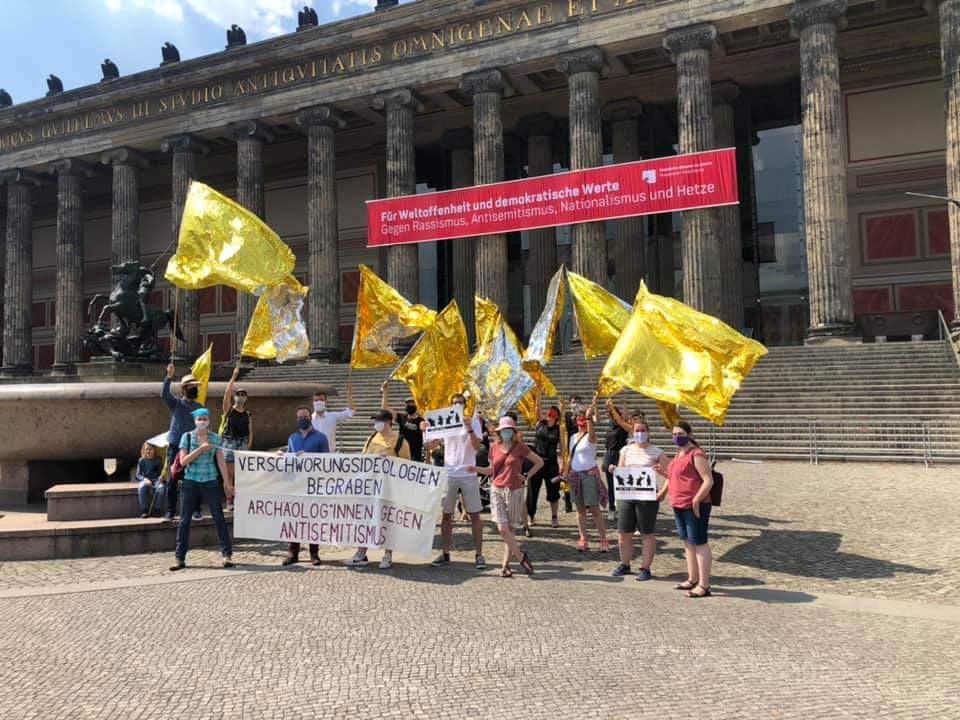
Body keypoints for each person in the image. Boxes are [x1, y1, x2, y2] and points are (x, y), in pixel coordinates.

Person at [469, 416, 543, 578]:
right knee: (502, 529)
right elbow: (490, 470)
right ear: (499, 432)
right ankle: (521, 557)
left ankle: (505, 565)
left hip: (514, 490)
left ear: (514, 431)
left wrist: (526, 476)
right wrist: (475, 469)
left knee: (510, 530)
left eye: (509, 430)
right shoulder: (494, 447)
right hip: (496, 489)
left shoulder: (520, 447)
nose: (506, 432)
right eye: (504, 430)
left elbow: (539, 462)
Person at [169, 408, 233, 571]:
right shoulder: (187, 437)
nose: (203, 421)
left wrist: (227, 483)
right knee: (184, 521)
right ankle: (179, 558)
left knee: (219, 518)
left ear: (209, 420)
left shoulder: (215, 438)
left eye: (205, 418)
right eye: (200, 419)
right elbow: (183, 461)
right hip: (191, 481)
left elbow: (220, 461)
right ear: (195, 421)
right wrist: (200, 449)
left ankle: (227, 555)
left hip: (210, 481)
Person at [346, 410, 411, 570]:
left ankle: (388, 555)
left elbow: (408, 466)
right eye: (375, 420)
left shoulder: (400, 440)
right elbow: (362, 461)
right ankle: (361, 553)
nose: (376, 423)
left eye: (379, 420)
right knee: (366, 520)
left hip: (390, 488)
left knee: (387, 521)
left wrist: (390, 460)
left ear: (389, 422)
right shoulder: (370, 439)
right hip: (370, 488)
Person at [428, 392, 485, 570]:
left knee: (475, 515)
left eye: (460, 402)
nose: (457, 405)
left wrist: (468, 428)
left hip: (468, 473)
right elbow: (430, 446)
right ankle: (445, 554)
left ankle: (479, 554)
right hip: (450, 473)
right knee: (446, 516)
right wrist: (426, 431)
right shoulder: (446, 421)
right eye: (454, 403)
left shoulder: (474, 421)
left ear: (465, 404)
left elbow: (477, 447)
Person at [661, 420, 714, 598]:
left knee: (699, 543)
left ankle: (704, 585)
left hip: (694, 505)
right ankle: (692, 578)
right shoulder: (678, 454)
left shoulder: (697, 454)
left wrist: (697, 499)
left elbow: (708, 480)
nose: (676, 437)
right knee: (687, 542)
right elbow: (675, 476)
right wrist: (661, 473)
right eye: (674, 434)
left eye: (680, 434)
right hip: (678, 503)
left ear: (689, 435)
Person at [610, 418, 666, 580]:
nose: (640, 433)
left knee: (647, 533)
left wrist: (662, 492)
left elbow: (672, 474)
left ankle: (645, 567)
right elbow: (621, 470)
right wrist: (615, 469)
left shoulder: (657, 452)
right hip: (627, 495)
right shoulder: (626, 450)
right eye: (637, 431)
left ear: (648, 433)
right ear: (632, 433)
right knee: (624, 532)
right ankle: (625, 564)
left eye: (643, 430)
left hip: (647, 497)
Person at [282, 407, 330, 567]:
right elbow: (289, 459)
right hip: (296, 484)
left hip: (313, 484)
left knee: (312, 519)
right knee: (293, 518)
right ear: (297, 419)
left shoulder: (321, 438)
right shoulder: (292, 438)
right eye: (300, 416)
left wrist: (309, 458)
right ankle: (292, 551)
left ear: (310, 418)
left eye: (305, 416)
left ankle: (314, 552)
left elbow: (326, 461)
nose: (302, 418)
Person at [563, 398, 609, 553]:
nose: (580, 420)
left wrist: (590, 417)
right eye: (578, 417)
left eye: (583, 417)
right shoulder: (572, 437)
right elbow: (570, 455)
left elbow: (591, 433)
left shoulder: (591, 436)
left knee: (595, 510)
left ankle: (603, 539)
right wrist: (566, 470)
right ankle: (583, 538)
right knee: (580, 510)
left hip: (589, 475)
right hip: (575, 475)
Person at [161, 362, 202, 521]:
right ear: (184, 389)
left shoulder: (199, 406)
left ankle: (196, 510)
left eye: (195, 387)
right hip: (176, 445)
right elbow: (164, 395)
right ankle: (170, 511)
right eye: (192, 387)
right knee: (172, 478)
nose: (195, 389)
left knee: (195, 478)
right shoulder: (176, 403)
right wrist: (169, 377)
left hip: (193, 446)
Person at [526, 401, 562, 531]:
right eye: (548, 411)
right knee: (532, 490)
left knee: (554, 489)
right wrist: (539, 391)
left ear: (557, 415)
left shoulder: (559, 429)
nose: (549, 413)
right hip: (536, 461)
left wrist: (563, 463)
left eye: (553, 411)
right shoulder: (540, 424)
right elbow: (537, 408)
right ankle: (531, 516)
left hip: (552, 463)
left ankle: (554, 516)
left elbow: (562, 447)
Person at [221, 366, 253, 512]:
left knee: (240, 474)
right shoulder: (229, 410)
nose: (241, 396)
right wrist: (233, 377)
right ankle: (229, 500)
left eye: (243, 394)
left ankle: (239, 498)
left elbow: (250, 430)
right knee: (229, 475)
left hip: (242, 443)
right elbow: (226, 394)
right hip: (229, 442)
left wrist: (249, 444)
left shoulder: (248, 414)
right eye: (239, 394)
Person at [602, 399, 634, 523]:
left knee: (621, 483)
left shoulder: (622, 426)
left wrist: (619, 406)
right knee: (610, 484)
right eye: (608, 415)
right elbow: (607, 445)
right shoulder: (610, 428)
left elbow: (623, 418)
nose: (609, 417)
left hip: (620, 455)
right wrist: (605, 461)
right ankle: (611, 509)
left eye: (610, 414)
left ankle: (622, 508)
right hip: (609, 454)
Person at [381, 380, 425, 463]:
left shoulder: (421, 420)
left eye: (412, 403)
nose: (410, 405)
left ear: (416, 405)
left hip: (416, 456)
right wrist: (385, 392)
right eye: (408, 404)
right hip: (402, 453)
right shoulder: (401, 417)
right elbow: (385, 409)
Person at [311, 385, 355, 451]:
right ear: (313, 402)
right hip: (312, 455)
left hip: (329, 455)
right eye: (316, 400)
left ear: (326, 402)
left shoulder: (332, 416)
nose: (319, 402)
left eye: (321, 400)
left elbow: (351, 411)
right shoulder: (309, 419)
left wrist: (349, 395)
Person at [134, 441, 164, 518]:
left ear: (154, 450)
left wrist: (162, 477)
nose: (148, 451)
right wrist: (144, 479)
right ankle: (145, 510)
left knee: (161, 488)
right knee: (141, 488)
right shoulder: (141, 460)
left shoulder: (158, 459)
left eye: (150, 449)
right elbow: (138, 474)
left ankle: (157, 509)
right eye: (146, 449)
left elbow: (161, 472)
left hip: (156, 480)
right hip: (146, 480)